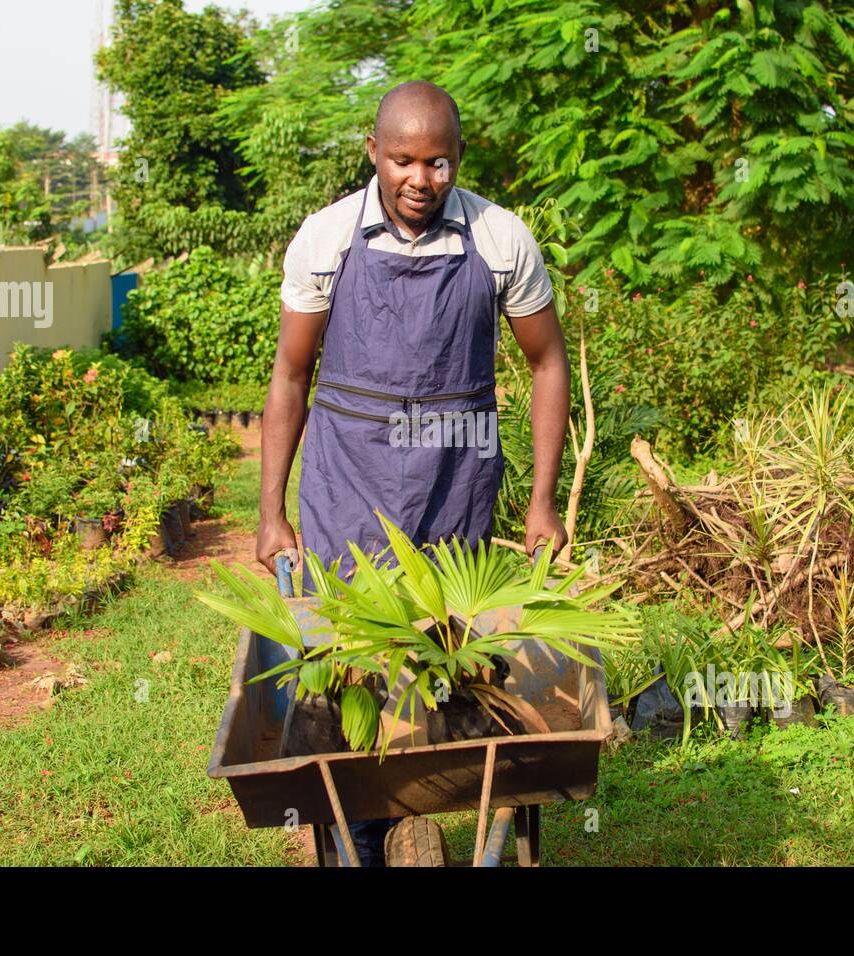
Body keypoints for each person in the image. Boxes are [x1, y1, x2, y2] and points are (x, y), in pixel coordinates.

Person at [256, 80, 571, 866]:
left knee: (449, 659)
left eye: (437, 162)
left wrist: (542, 502)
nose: (419, 180)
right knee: (352, 667)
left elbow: (547, 361)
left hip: (454, 486)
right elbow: (291, 376)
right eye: (402, 160)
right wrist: (271, 509)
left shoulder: (501, 241)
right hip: (347, 486)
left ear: (459, 158)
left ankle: (430, 793)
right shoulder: (326, 241)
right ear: (374, 153)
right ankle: (363, 824)